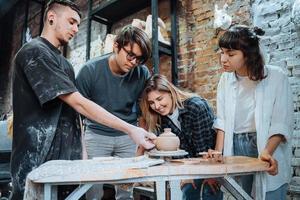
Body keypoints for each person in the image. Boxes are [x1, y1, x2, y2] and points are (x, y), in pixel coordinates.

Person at [11, 1, 156, 199]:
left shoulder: (65, 64)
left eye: (78, 24)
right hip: (37, 156)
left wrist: (83, 156)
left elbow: (74, 115)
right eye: (71, 22)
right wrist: (132, 130)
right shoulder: (35, 52)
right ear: (51, 17)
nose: (76, 29)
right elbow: (78, 103)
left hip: (63, 157)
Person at [210, 25, 293, 200]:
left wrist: (267, 152)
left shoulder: (277, 77)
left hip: (265, 143)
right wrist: (218, 152)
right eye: (222, 52)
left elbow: (280, 122)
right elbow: (222, 121)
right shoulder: (225, 80)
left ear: (248, 54)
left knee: (269, 192)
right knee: (240, 195)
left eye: (231, 54)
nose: (223, 59)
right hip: (235, 145)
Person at [75, 25, 151, 200]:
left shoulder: (142, 73)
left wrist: (142, 144)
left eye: (139, 59)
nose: (133, 63)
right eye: (130, 55)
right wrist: (82, 150)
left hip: (128, 137)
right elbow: (76, 114)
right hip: (96, 135)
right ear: (116, 46)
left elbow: (144, 111)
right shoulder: (90, 71)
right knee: (91, 191)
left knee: (126, 193)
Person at [139, 74, 223, 200]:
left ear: (171, 92)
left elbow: (204, 147)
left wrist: (211, 174)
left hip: (211, 161)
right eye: (151, 102)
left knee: (209, 191)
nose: (156, 106)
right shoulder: (162, 118)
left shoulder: (195, 106)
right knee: (188, 191)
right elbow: (180, 149)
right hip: (191, 166)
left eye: (160, 99)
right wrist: (187, 174)